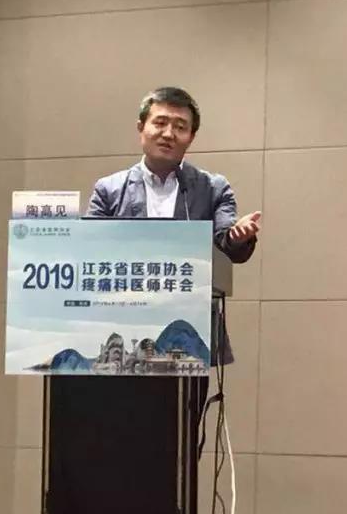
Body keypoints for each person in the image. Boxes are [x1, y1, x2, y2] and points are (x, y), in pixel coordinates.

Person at [86, 86, 261, 364]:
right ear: (141, 127)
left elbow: (226, 240)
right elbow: (88, 249)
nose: (169, 134)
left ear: (191, 137)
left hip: (190, 330)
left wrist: (237, 237)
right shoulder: (109, 189)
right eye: (160, 123)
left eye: (180, 127)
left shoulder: (212, 188)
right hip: (123, 319)